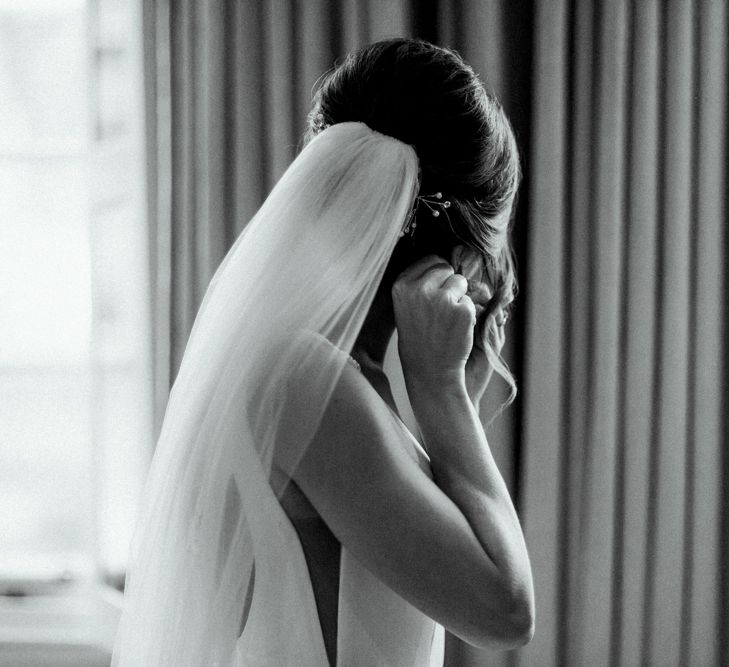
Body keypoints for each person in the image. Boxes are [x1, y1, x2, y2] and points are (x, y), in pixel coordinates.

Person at [112, 38, 534, 666]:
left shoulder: (322, 374)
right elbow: (504, 613)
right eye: (492, 246)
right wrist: (444, 396)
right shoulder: (309, 380)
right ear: (466, 254)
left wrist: (452, 409)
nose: (489, 282)